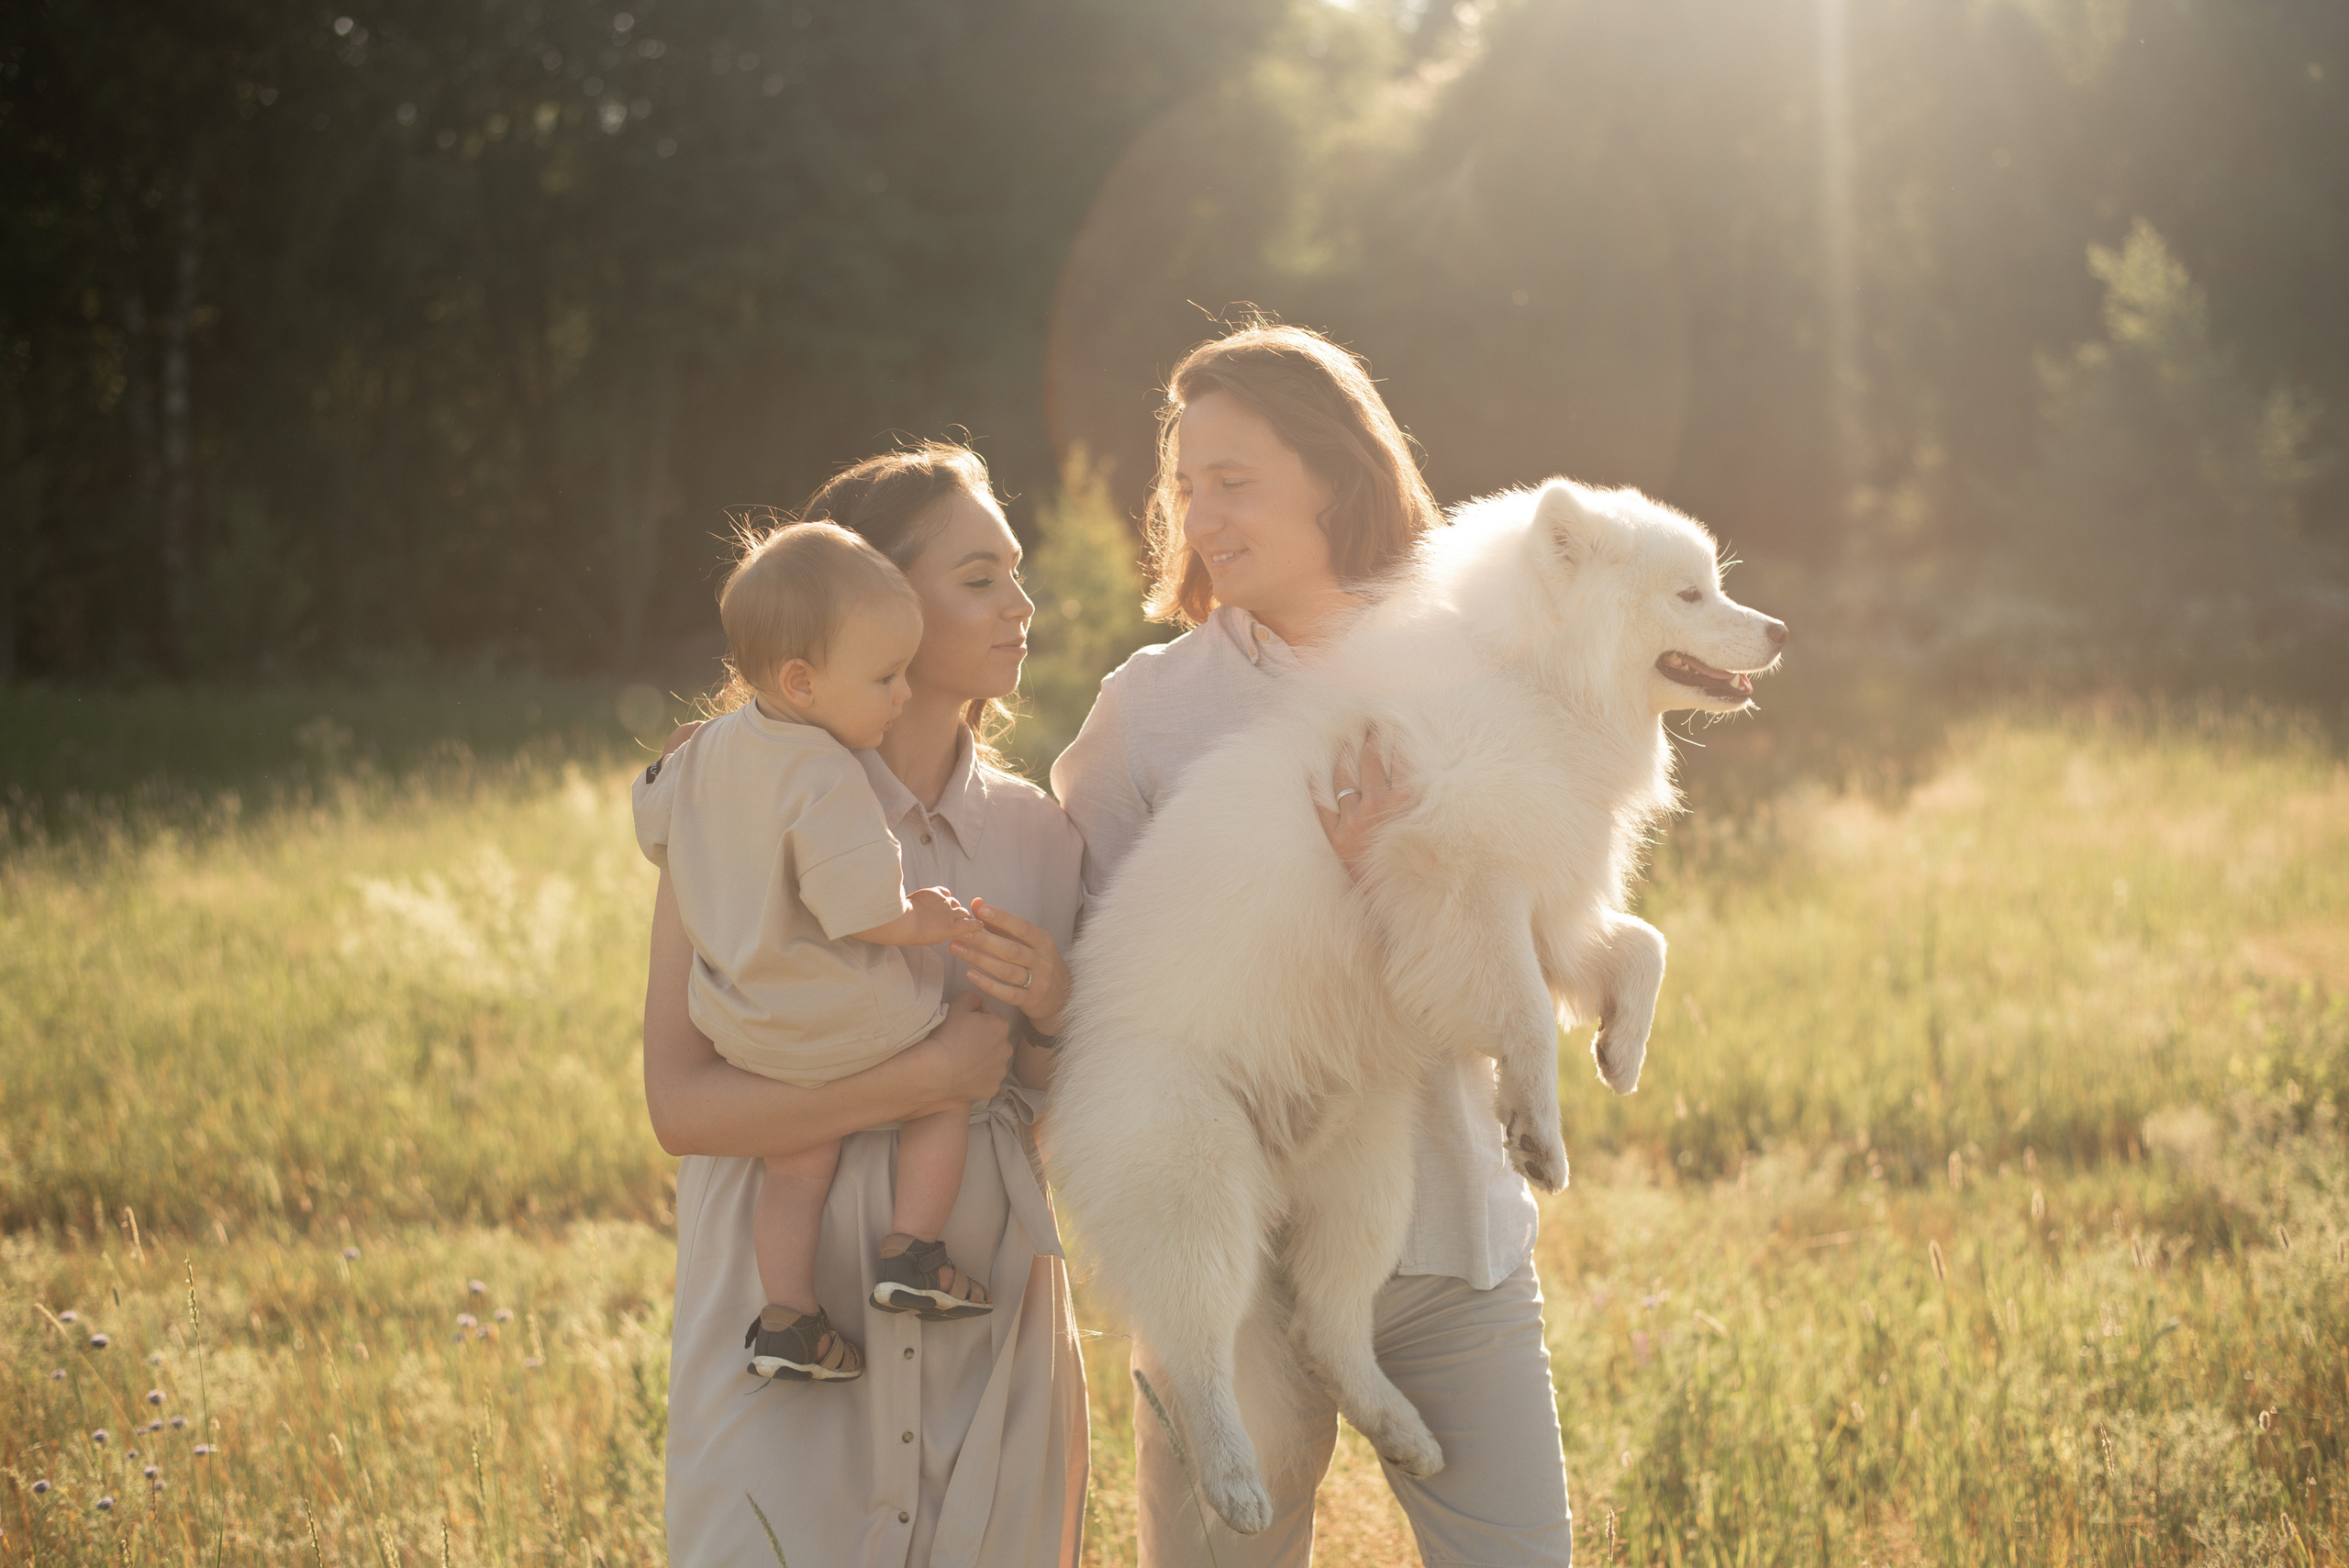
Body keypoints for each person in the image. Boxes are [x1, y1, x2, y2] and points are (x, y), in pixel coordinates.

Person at [1052, 321, 1575, 1566]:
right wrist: (775, 762)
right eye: (1185, 487)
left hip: (1445, 1241)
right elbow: (1090, 968)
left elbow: (1542, 954)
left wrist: (1387, 878)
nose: (1200, 514)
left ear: (1337, 477)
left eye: (1235, 481)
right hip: (1222, 1255)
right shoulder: (1151, 710)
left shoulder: (1480, 675)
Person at [642, 443, 1089, 1567]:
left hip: (986, 1323)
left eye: (1017, 573)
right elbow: (682, 1108)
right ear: (870, 597)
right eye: (979, 577)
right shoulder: (726, 803)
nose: (1021, 606)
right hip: (786, 1326)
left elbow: (1052, 1104)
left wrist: (1051, 1011)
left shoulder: (1041, 832)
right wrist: (919, 1081)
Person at [634, 520, 997, 1388]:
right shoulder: (826, 772)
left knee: (796, 1165)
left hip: (745, 1027)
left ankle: (789, 1317)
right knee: (944, 1091)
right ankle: (914, 1253)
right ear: (802, 680)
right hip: (840, 1013)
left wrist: (665, 776)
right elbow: (860, 908)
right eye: (884, 677)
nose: (903, 694)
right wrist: (926, 919)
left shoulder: (705, 750)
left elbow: (652, 829)